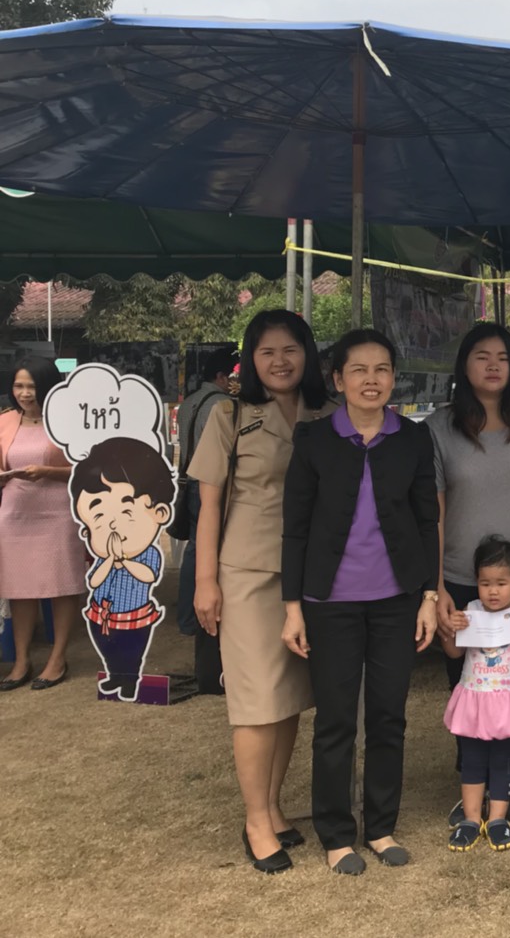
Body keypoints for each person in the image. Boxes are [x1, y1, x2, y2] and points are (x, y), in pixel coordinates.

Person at [281, 328, 440, 875]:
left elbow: (427, 522)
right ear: (338, 379)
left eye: (382, 370)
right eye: (359, 370)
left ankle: (381, 826)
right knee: (336, 720)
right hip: (330, 603)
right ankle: (336, 833)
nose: (371, 380)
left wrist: (427, 595)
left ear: (394, 378)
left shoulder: (414, 439)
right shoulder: (314, 440)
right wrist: (293, 606)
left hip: (397, 600)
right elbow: (295, 529)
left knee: (389, 716)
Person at [190, 309, 335, 874]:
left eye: (291, 349)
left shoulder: (328, 412)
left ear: (308, 355)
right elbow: (209, 508)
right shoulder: (229, 415)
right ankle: (255, 821)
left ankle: (274, 807)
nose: (280, 361)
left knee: (289, 696)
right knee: (255, 703)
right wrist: (205, 581)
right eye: (267, 351)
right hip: (247, 574)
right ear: (250, 359)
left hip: (311, 576)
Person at [429, 323, 510, 827]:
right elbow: (433, 511)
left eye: (502, 357)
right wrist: (435, 584)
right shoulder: (439, 429)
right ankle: (473, 780)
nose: (492, 365)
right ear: (464, 365)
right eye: (481, 356)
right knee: (467, 679)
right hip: (461, 578)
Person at [441, 536, 510, 855]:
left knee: (504, 759)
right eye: (485, 582)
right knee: (473, 759)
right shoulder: (470, 611)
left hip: (507, 701)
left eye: (501, 583)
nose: (493, 590)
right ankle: (471, 819)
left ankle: (498, 819)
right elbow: (452, 652)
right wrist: (451, 628)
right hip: (476, 699)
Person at [74, 437, 175, 701]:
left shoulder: (148, 553)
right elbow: (94, 581)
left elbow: (149, 576)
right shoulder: (102, 558)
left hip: (134, 615)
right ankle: (114, 675)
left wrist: (125, 561)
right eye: (98, 519)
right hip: (101, 613)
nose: (112, 526)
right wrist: (110, 560)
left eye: (126, 512)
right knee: (107, 647)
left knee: (132, 649)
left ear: (160, 513)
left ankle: (131, 680)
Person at [0, 358, 79, 691]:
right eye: (19, 386)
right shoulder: (4, 422)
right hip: (14, 513)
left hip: (58, 512)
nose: (24, 393)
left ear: (47, 385)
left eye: (31, 386)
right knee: (19, 589)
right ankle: (21, 661)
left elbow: (87, 467)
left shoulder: (68, 421)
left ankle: (57, 658)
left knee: (61, 585)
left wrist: (47, 472)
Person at [173, 345, 237, 692]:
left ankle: (186, 617)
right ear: (220, 377)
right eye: (230, 377)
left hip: (189, 479)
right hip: (209, 482)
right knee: (203, 549)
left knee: (193, 551)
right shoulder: (218, 405)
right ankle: (194, 616)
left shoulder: (189, 403)